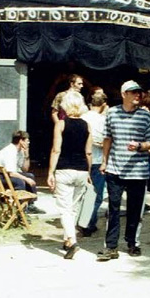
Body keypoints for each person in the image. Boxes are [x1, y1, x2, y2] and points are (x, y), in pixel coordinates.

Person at [97, 80, 150, 261]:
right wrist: (104, 162)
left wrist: (139, 146)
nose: (138, 95)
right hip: (115, 169)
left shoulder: (145, 116)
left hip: (138, 171)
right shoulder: (112, 113)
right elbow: (107, 139)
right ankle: (111, 247)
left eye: (139, 92)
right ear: (124, 94)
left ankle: (133, 243)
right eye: (133, 92)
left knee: (135, 209)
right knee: (113, 208)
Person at [47, 91, 92, 259]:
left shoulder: (61, 124)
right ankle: (67, 240)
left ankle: (72, 241)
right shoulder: (87, 125)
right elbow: (88, 152)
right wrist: (88, 172)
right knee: (73, 208)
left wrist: (50, 172)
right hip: (82, 169)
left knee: (64, 208)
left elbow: (56, 150)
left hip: (64, 168)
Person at [0, 130, 45, 214]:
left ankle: (30, 205)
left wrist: (26, 155)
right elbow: (11, 173)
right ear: (21, 141)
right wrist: (26, 179)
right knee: (20, 181)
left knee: (30, 176)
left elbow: (25, 169)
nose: (29, 142)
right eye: (27, 140)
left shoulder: (19, 151)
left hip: (5, 175)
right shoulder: (10, 151)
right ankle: (21, 208)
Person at [78, 87, 108, 236]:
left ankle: (86, 220)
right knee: (96, 194)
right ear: (103, 105)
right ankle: (88, 223)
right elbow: (106, 140)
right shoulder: (103, 120)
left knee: (83, 193)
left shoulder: (82, 118)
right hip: (97, 160)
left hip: (81, 159)